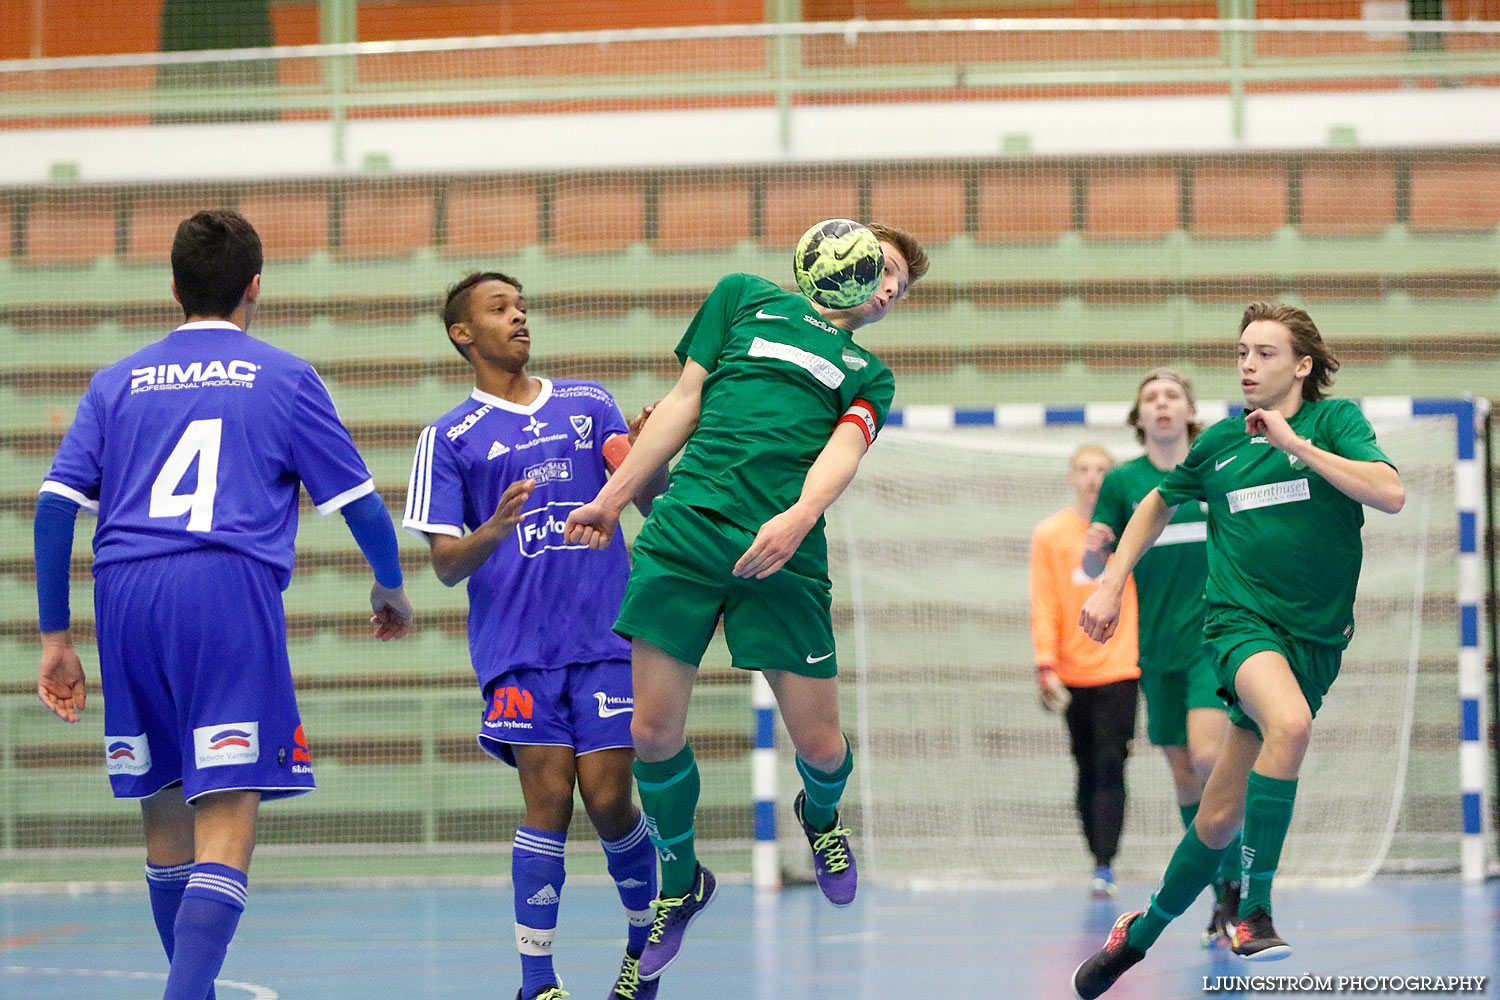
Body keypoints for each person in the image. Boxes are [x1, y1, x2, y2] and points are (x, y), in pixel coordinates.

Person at [33, 210, 413, 1000]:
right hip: (223, 590)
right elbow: (363, 507)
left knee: (166, 808)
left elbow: (54, 506)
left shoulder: (115, 381)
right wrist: (388, 586)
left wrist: (55, 637)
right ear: (255, 289)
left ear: (174, 288)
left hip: (125, 593)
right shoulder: (283, 376)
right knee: (228, 808)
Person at [563, 223, 929, 981]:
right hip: (689, 531)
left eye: (901, 285)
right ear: (837, 261)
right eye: (884, 268)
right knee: (652, 733)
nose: (890, 287)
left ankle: (821, 820)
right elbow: (682, 402)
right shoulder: (743, 298)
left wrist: (797, 519)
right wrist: (609, 500)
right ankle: (682, 882)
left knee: (822, 748)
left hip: (784, 554)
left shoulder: (869, 373)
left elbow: (843, 452)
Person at [1071, 302, 1404, 999]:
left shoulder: (1334, 424)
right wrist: (1110, 583)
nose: (1248, 364)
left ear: (1302, 365)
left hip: (1314, 641)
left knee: (1219, 818)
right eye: (1242, 352)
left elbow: (1390, 494)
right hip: (1235, 625)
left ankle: (1138, 934)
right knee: (1292, 725)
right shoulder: (1217, 443)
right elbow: (1156, 502)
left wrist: (1297, 445)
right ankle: (1253, 910)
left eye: (1265, 353)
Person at [401, 271, 669, 1000]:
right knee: (547, 800)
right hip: (517, 650)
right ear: (464, 333)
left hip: (607, 636)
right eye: (499, 309)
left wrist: (648, 453)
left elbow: (653, 497)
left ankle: (644, 949)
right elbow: (446, 566)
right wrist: (493, 526)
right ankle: (537, 983)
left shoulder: (588, 403)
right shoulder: (448, 437)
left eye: (521, 306)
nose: (518, 317)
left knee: (610, 800)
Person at [1085, 368, 1242, 943]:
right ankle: (1220, 893)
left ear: (1189, 410)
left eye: (1172, 395)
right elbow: (1095, 567)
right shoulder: (1124, 482)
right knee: (1182, 775)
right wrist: (1095, 550)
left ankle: (1237, 882)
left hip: (1214, 640)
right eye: (1150, 397)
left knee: (1208, 757)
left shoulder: (1212, 471)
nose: (1162, 403)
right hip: (1156, 648)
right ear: (1140, 415)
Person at [1030, 445, 1142, 898]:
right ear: (1072, 476)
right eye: (1084, 469)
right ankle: (1095, 853)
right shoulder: (1051, 534)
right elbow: (1045, 601)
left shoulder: (1132, 531)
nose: (1093, 478)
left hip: (1121, 666)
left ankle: (1105, 862)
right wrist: (1045, 664)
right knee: (1085, 765)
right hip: (1073, 671)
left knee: (1112, 761)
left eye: (1102, 470)